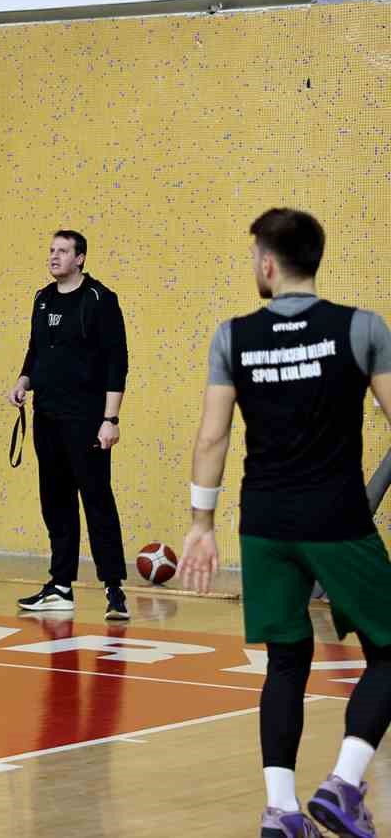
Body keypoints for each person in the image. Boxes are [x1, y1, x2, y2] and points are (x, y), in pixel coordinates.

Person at [181, 208, 391, 838]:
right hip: (336, 518)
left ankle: (281, 810)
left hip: (264, 523)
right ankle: (344, 784)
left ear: (268, 263)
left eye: (254, 256)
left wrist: (201, 524)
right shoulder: (362, 328)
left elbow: (213, 436)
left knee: (286, 661)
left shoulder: (232, 337)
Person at [7, 230, 131, 621]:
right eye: (51, 250)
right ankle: (60, 586)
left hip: (87, 420)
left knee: (96, 500)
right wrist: (23, 381)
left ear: (80, 258)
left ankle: (114, 588)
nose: (54, 256)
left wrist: (110, 419)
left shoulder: (100, 299)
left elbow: (117, 362)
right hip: (47, 417)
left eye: (63, 251)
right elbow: (36, 349)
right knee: (56, 501)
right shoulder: (42, 298)